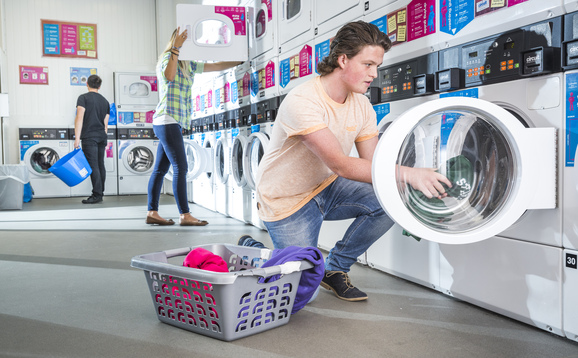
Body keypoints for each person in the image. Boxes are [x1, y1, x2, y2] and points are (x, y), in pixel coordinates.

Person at [248, 21, 452, 301]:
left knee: (389, 197)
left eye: (377, 66)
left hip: (327, 187)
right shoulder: (303, 101)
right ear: (343, 59)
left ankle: (336, 269)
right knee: (296, 293)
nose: (374, 74)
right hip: (286, 199)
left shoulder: (362, 105)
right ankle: (254, 252)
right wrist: (409, 173)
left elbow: (374, 165)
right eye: (368, 64)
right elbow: (341, 165)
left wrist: (411, 189)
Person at [146, 27, 241, 226]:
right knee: (181, 167)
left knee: (160, 170)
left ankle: (152, 212)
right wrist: (176, 49)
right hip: (167, 118)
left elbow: (215, 66)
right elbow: (170, 76)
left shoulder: (188, 65)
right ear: (177, 43)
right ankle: (185, 215)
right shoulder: (168, 59)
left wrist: (240, 60)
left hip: (171, 121)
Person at [74, 74, 110, 204]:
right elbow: (106, 124)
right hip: (102, 136)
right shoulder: (105, 101)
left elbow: (80, 118)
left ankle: (96, 195)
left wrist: (77, 138)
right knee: (100, 164)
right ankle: (100, 193)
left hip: (89, 136)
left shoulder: (83, 98)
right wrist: (103, 136)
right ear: (99, 86)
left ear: (87, 84)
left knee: (93, 165)